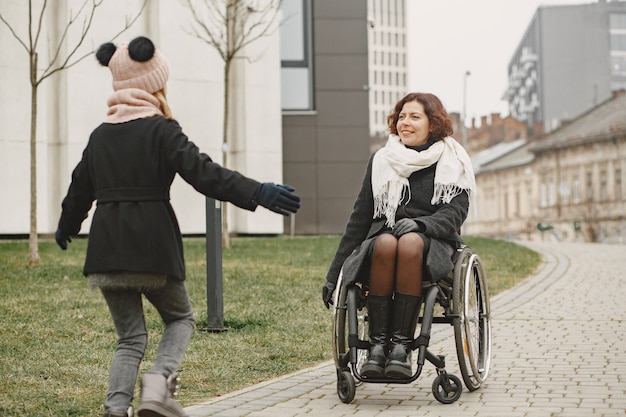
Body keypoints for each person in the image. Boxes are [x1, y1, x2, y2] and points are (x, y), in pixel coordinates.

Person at [55, 36, 300, 417]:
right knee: (180, 319)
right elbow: (206, 175)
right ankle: (156, 390)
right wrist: (258, 192)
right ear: (155, 82)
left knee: (130, 338)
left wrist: (66, 226)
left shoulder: (99, 136)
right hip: (153, 249)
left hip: (105, 251)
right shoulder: (163, 130)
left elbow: (78, 188)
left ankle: (115, 408)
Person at [322, 92, 475, 380]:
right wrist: (334, 276)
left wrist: (422, 225)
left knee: (408, 241)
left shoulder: (453, 160)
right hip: (383, 246)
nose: (406, 122)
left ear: (433, 123)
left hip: (433, 243)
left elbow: (455, 213)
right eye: (402, 116)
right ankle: (379, 347)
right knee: (384, 241)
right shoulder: (381, 160)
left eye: (415, 117)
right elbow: (359, 220)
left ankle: (402, 347)